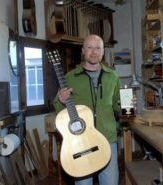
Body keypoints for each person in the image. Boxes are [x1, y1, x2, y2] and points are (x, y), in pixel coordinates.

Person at [53, 34, 122, 185]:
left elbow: (117, 107)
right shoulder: (70, 77)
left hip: (107, 139)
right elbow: (59, 110)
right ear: (83, 51)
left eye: (98, 48)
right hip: (81, 142)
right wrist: (60, 99)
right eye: (89, 47)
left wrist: (127, 105)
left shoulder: (113, 76)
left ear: (103, 51)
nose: (94, 51)